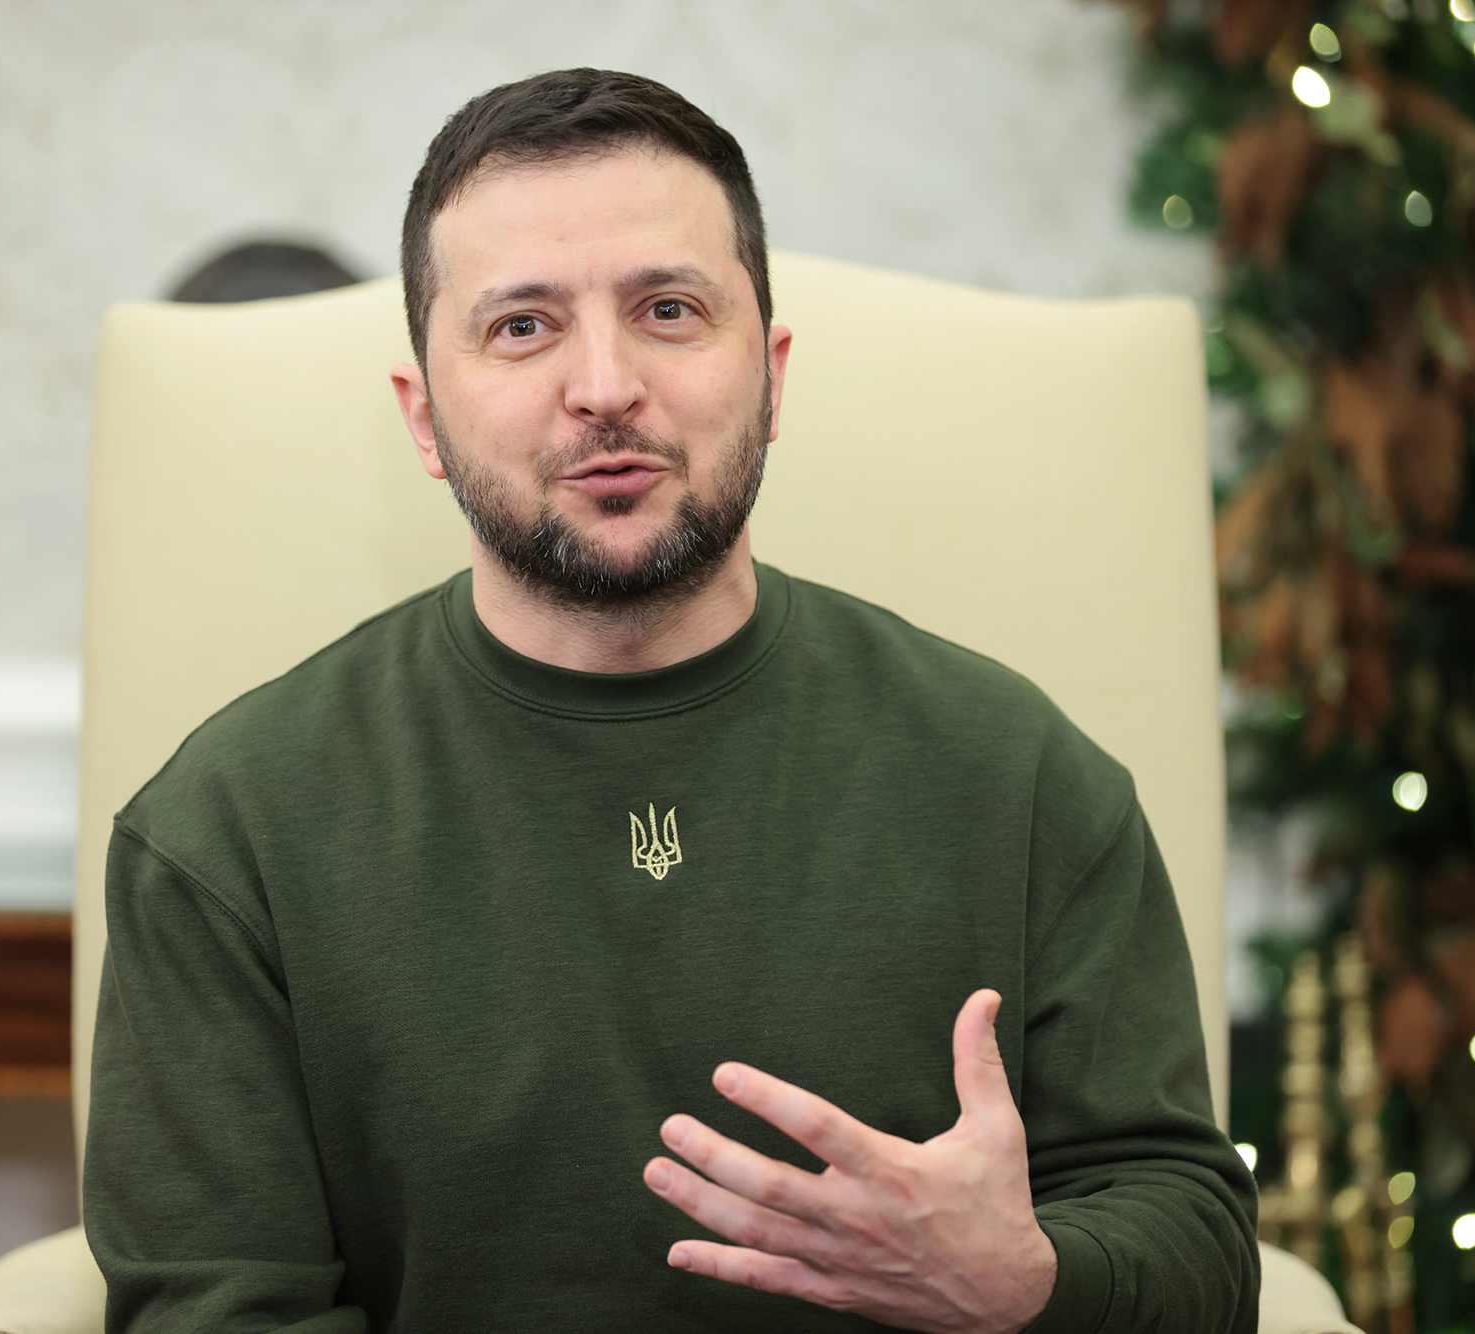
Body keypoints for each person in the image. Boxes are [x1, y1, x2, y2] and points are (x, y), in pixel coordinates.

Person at [83, 68, 1260, 1333]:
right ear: (422, 418)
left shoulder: (1016, 774)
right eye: (521, 326)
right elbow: (214, 1310)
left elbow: (1193, 1234)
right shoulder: (226, 832)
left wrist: (1027, 1278)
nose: (603, 385)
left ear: (772, 374)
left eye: (667, 309)